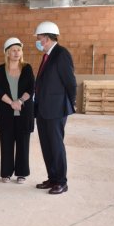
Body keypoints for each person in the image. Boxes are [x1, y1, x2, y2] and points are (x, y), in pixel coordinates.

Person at [34, 21, 77, 195]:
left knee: (56, 145)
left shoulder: (61, 54)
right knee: (46, 145)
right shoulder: (46, 56)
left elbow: (71, 83)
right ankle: (52, 178)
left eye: (39, 38)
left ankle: (61, 181)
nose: (38, 42)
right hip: (43, 109)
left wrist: (69, 103)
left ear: (46, 38)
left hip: (56, 109)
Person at [0, 37, 35, 184]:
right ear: (7, 53)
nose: (17, 53)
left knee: (23, 143)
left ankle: (21, 173)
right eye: (13, 50)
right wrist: (12, 102)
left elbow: (31, 88)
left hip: (24, 112)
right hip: (6, 112)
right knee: (6, 143)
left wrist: (20, 101)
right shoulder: (0, 69)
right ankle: (6, 173)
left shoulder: (27, 68)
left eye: (19, 49)